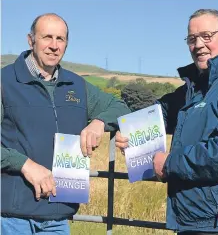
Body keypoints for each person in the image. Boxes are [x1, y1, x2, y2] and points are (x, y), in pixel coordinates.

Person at [115, 9, 218, 234]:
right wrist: (115, 125)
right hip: (193, 219)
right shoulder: (193, 90)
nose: (198, 45)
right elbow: (158, 113)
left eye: (207, 36)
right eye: (192, 39)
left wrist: (168, 164)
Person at [1, 13, 130, 234]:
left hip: (59, 218)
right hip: (11, 218)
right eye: (47, 37)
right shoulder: (5, 82)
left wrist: (99, 122)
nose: (53, 46)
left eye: (60, 39)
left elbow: (121, 107)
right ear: (31, 40)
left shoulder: (77, 85)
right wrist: (25, 165)